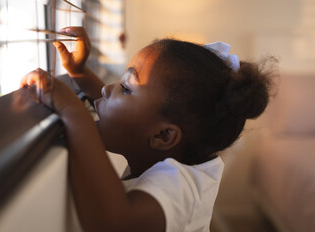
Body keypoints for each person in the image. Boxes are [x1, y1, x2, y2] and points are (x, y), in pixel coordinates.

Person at [20, 27, 275, 232]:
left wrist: (73, 112)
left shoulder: (180, 184)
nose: (107, 89)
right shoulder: (182, 155)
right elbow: (129, 117)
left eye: (126, 87)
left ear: (164, 136)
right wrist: (79, 72)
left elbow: (114, 224)